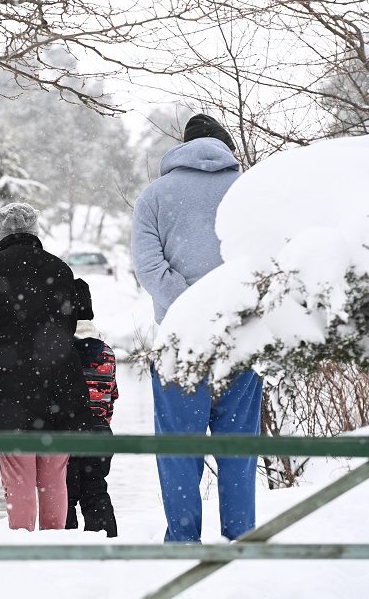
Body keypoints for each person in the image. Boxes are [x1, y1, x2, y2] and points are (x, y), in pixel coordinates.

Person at [130, 114, 263, 543]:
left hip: (178, 343)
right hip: (240, 338)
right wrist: (228, 307)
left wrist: (190, 308)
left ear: (183, 147)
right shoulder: (249, 192)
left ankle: (183, 543)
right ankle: (240, 538)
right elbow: (266, 262)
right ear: (226, 147)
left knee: (178, 450)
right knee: (238, 450)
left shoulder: (154, 197)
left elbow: (149, 268)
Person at [0, 202, 90, 531]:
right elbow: (69, 327)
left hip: (11, 387)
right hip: (59, 384)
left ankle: (21, 544)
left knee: (18, 472)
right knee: (53, 474)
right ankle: (53, 543)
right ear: (35, 232)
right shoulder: (60, 269)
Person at [65, 278, 119, 538]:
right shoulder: (107, 352)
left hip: (68, 431)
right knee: (96, 489)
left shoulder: (60, 349)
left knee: (64, 494)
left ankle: (67, 543)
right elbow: (111, 396)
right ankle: (107, 540)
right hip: (100, 432)